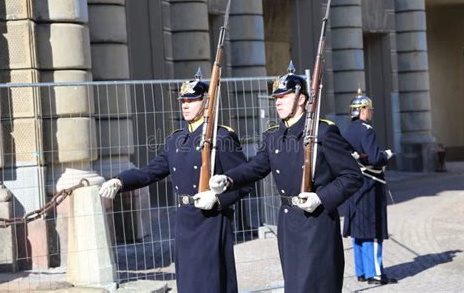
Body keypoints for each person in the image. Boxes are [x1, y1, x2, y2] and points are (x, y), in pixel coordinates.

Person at [209, 62, 363, 292]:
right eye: (276, 98)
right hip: (288, 224)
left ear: (301, 99)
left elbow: (352, 176)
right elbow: (256, 168)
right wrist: (228, 179)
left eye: (285, 96)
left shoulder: (323, 132)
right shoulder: (273, 135)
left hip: (316, 223)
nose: (278, 102)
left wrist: (321, 198)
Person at [98, 70, 251, 293]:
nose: (185, 105)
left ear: (207, 103)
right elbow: (149, 172)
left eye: (191, 100)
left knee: (211, 283)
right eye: (183, 101)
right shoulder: (176, 140)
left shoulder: (222, 138)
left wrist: (218, 199)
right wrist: (120, 181)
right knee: (188, 284)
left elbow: (245, 180)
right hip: (185, 220)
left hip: (211, 220)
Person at [341, 88, 397, 285]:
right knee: (372, 232)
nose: (371, 112)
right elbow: (374, 159)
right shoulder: (367, 130)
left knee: (358, 230)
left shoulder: (348, 130)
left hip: (354, 185)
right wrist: (386, 155)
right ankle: (375, 274)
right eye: (370, 109)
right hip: (370, 185)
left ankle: (362, 272)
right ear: (362, 110)